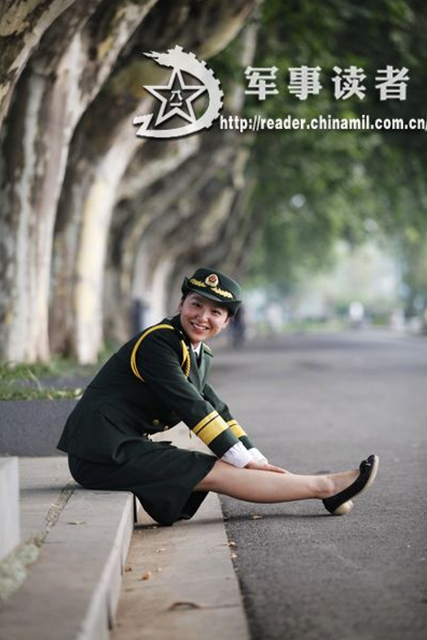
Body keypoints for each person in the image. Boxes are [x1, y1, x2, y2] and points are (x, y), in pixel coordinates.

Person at [58, 267, 379, 526]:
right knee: (218, 470)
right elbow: (191, 406)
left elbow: (217, 409)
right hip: (101, 454)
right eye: (196, 304)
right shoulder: (158, 342)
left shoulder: (197, 353)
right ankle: (326, 487)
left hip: (121, 447)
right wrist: (243, 461)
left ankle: (324, 489)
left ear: (227, 323)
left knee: (222, 467)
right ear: (180, 305)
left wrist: (255, 457)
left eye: (216, 311)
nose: (202, 316)